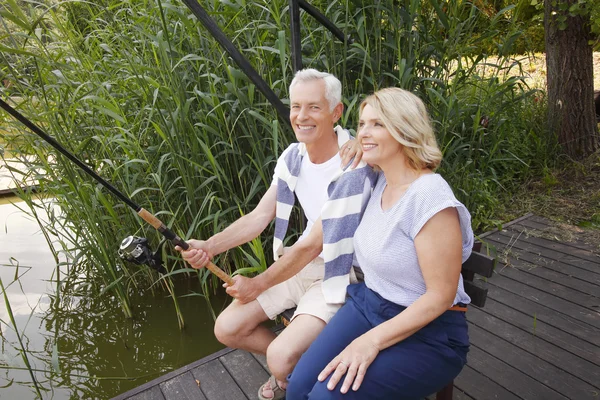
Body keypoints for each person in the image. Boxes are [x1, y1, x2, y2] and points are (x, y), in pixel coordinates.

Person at [178, 69, 374, 400]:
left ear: (336, 112)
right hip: (305, 265)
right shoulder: (293, 156)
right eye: (296, 106)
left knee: (279, 357)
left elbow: (311, 246)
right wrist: (208, 246)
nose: (301, 116)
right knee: (226, 328)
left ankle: (289, 370)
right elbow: (259, 217)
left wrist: (258, 284)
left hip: (342, 274)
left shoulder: (353, 162)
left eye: (314, 107)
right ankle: (298, 372)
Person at [286, 87, 474, 400]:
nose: (363, 133)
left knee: (325, 397)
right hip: (370, 305)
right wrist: (366, 146)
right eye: (361, 125)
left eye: (377, 124)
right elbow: (355, 146)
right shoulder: (382, 177)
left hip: (431, 332)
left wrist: (371, 341)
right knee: (299, 387)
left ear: (405, 129)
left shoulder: (429, 197)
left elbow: (441, 296)